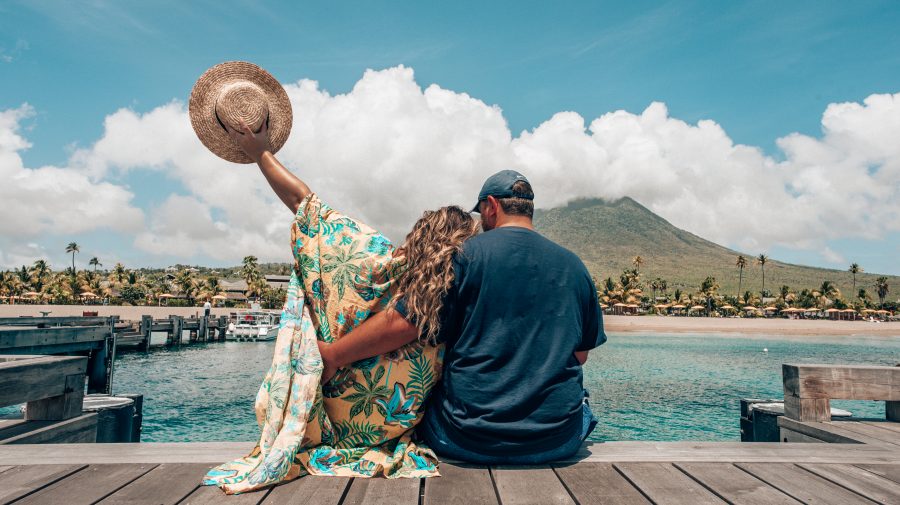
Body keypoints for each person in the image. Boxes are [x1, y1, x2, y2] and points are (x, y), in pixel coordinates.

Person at [201, 120, 479, 494]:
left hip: (338, 414)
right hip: (389, 424)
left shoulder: (375, 263)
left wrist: (260, 153)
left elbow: (305, 205)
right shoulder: (452, 284)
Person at [319, 170, 605, 464]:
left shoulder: (462, 256)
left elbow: (404, 322)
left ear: (491, 206)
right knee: (582, 405)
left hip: (465, 439)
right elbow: (579, 356)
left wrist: (333, 355)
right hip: (557, 441)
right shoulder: (575, 267)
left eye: (481, 212)